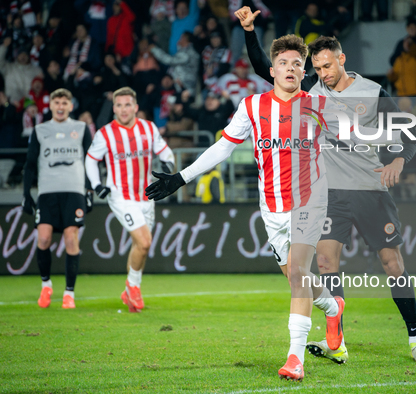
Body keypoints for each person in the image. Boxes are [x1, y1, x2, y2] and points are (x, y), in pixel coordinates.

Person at [145, 34, 354, 382]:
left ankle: (294, 358)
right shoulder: (253, 107)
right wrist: (181, 178)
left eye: (297, 64)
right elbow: (222, 149)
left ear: (305, 72)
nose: (290, 69)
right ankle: (333, 308)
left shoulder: (320, 106)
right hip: (271, 208)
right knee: (295, 277)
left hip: (309, 204)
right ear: (271, 70)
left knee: (299, 276)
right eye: (284, 63)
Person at [235, 6, 416, 364]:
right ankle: (336, 341)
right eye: (318, 68)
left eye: (328, 66)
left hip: (371, 190)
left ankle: (415, 339)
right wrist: (250, 31)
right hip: (328, 194)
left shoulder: (372, 92)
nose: (322, 74)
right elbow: (261, 68)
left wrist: (399, 160)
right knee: (325, 264)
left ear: (342, 59)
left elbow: (414, 131)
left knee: (393, 264)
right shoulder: (310, 89)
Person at [85, 87, 175, 313]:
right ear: (113, 108)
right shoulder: (105, 133)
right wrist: (97, 185)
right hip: (121, 196)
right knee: (144, 241)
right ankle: (133, 287)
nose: (123, 109)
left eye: (127, 105)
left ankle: (130, 291)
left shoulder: (148, 128)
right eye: (119, 105)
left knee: (140, 246)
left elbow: (166, 152)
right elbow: (90, 160)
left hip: (146, 196)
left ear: (135, 107)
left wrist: (168, 166)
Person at [22, 88, 94, 309]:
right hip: (47, 192)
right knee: (43, 239)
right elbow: (30, 163)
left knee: (71, 239)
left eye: (65, 103)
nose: (61, 107)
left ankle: (69, 293)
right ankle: (46, 286)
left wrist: (90, 191)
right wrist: (26, 194)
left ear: (71, 106)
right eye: (57, 103)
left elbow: (90, 161)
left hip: (74, 192)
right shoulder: (40, 130)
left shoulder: (81, 128)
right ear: (51, 106)